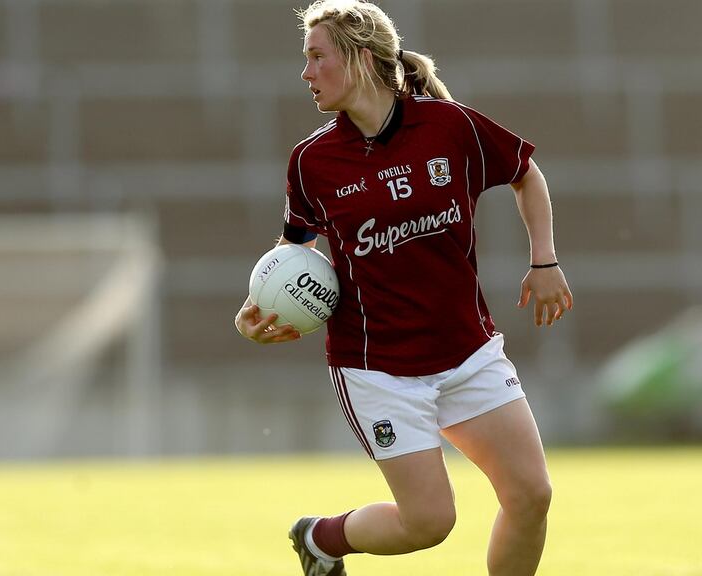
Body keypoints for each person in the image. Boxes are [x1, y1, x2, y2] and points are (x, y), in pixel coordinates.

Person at [234, 1, 573, 574]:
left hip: (467, 350)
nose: (306, 72)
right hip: (378, 366)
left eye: (317, 57)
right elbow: (294, 250)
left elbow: (525, 173)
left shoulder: (449, 127)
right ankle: (320, 539)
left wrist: (544, 262)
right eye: (305, 59)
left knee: (532, 495)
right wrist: (262, 306)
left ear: (361, 59)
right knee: (429, 523)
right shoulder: (312, 161)